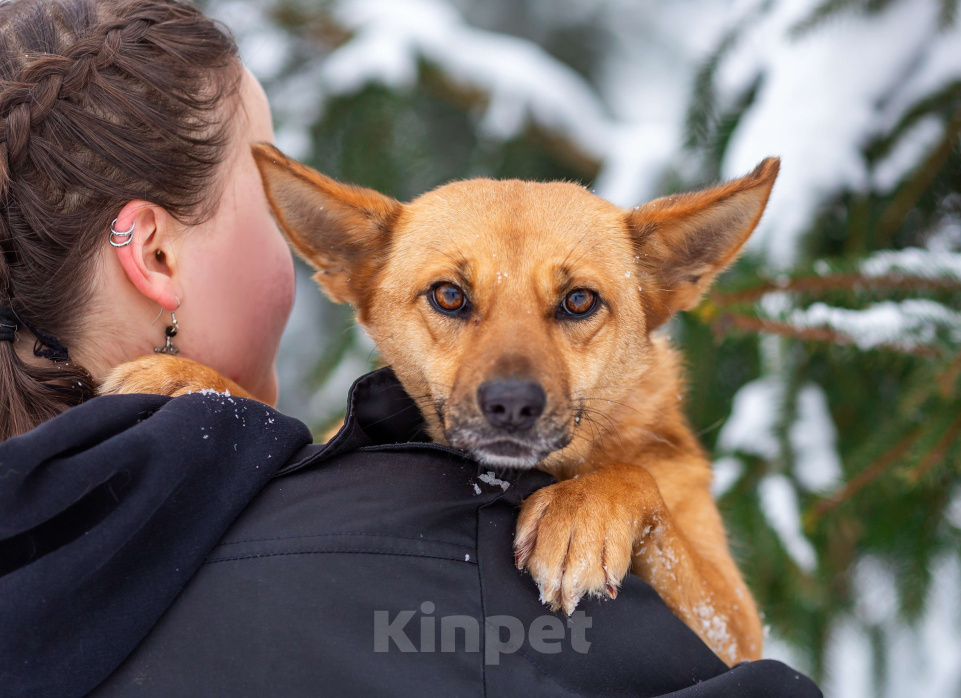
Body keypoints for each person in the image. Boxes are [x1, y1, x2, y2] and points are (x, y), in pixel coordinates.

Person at [0, 1, 823, 696]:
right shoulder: (436, 579)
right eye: (452, 301)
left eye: (575, 305)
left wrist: (633, 497)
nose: (511, 385)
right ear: (154, 254)